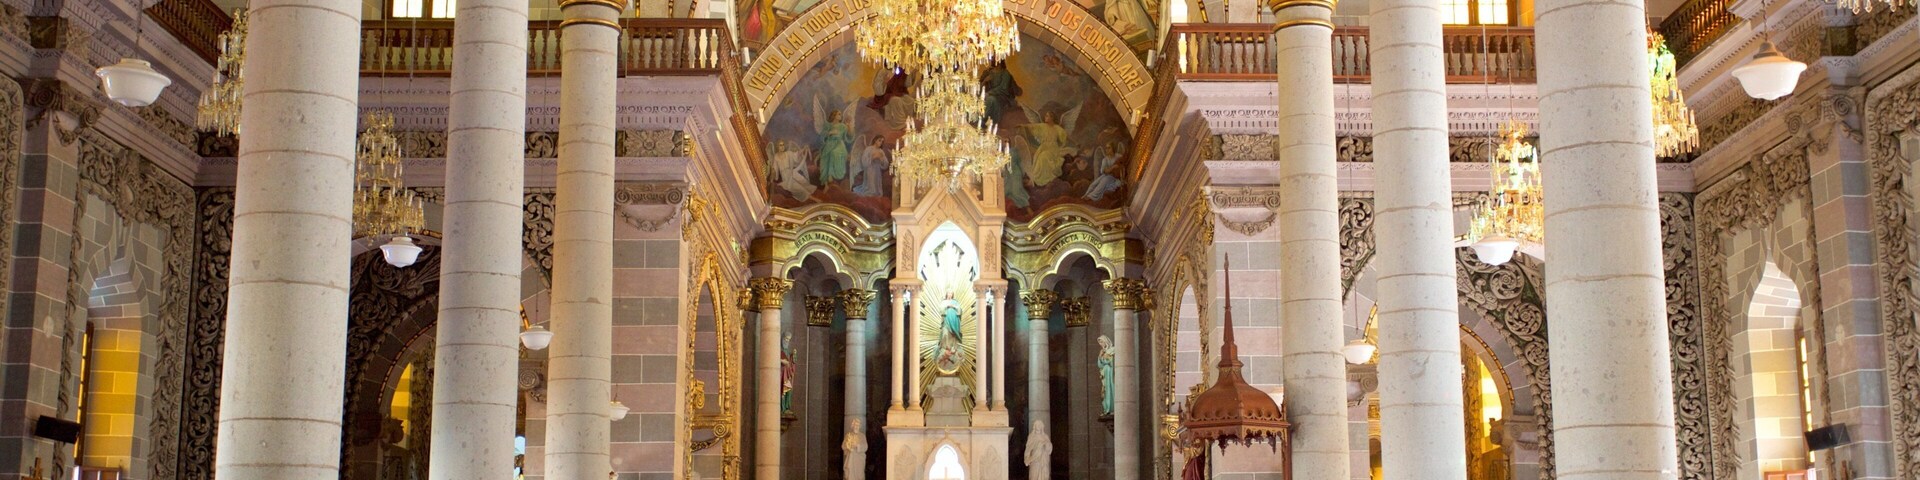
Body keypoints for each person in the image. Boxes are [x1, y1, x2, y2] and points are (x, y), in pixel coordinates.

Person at [1097, 335, 1116, 415]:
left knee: (1111, 389)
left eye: (1102, 342)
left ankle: (1112, 408)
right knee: (1105, 391)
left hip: (1110, 374)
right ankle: (1107, 408)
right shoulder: (1102, 352)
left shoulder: (1112, 350)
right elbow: (1099, 365)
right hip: (1105, 375)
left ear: (1106, 341)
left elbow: (1111, 362)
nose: (1101, 344)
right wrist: (1100, 356)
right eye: (1100, 343)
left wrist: (1104, 359)